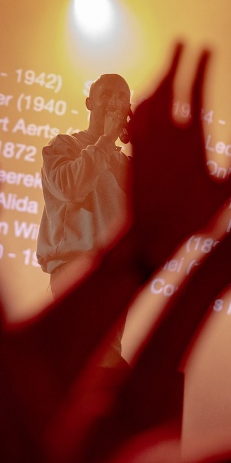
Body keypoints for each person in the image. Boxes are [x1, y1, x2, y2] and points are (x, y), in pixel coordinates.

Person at [36, 73, 133, 366]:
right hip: (75, 267)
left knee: (103, 361)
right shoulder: (64, 147)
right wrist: (105, 140)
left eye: (121, 97)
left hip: (113, 274)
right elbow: (70, 187)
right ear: (89, 102)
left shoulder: (128, 166)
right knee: (88, 358)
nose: (114, 103)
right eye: (106, 95)